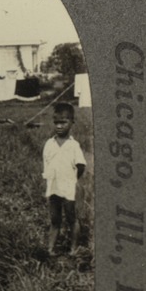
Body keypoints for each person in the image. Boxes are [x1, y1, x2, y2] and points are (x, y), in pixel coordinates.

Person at [42, 102, 87, 255]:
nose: (59, 126)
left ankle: (73, 249)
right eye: (56, 122)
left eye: (63, 122)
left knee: (71, 218)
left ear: (71, 122)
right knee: (55, 219)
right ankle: (51, 249)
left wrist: (71, 180)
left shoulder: (74, 145)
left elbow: (81, 166)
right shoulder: (49, 144)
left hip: (68, 188)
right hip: (53, 187)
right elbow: (47, 164)